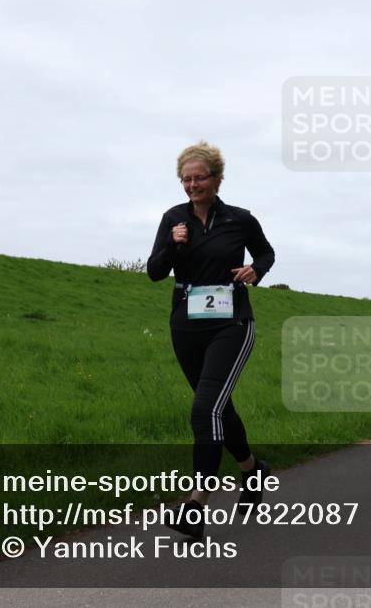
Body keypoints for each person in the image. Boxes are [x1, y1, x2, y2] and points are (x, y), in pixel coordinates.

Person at [147, 140, 275, 538]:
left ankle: (195, 505)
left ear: (217, 179)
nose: (192, 184)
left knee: (205, 410)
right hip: (186, 323)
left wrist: (255, 270)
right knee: (219, 407)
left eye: (199, 177)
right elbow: (154, 271)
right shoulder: (173, 218)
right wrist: (173, 243)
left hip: (231, 322)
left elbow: (266, 255)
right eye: (186, 178)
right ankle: (252, 472)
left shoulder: (240, 219)